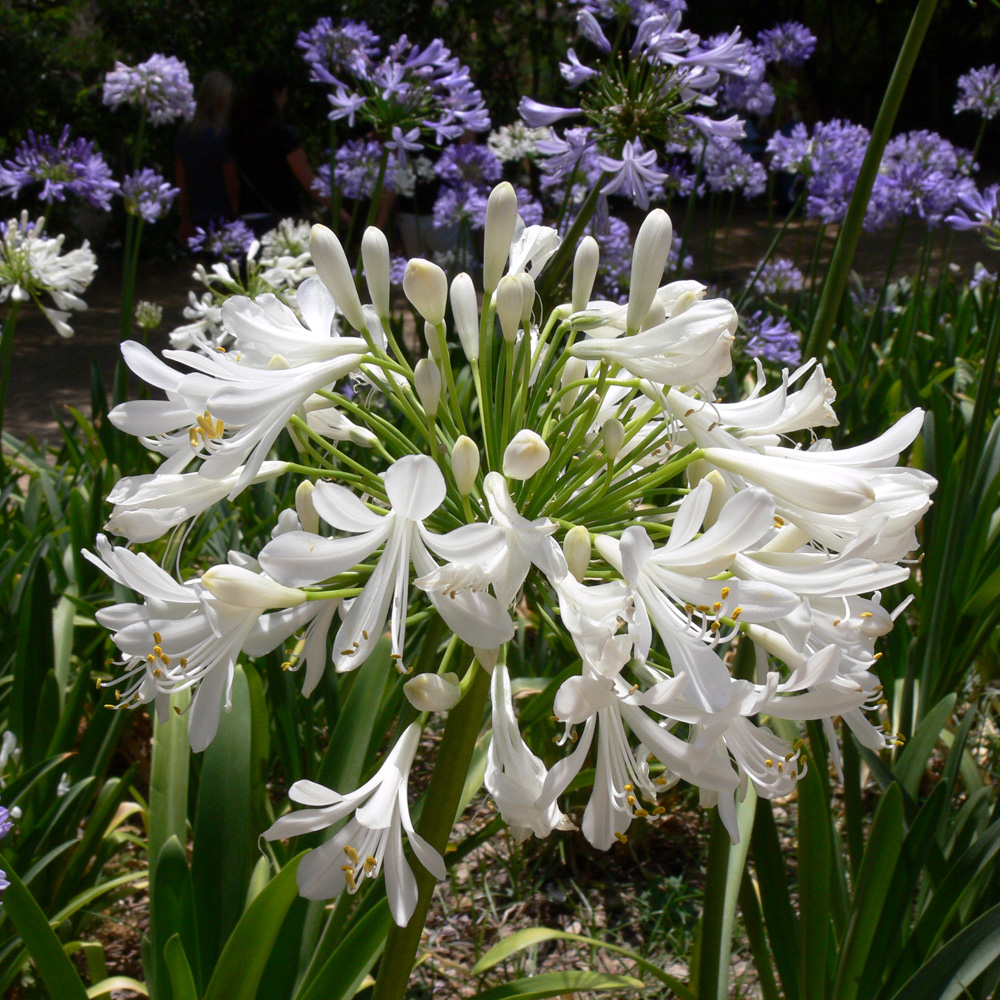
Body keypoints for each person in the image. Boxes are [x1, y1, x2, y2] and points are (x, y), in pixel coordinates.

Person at [228, 67, 328, 234]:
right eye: (285, 94)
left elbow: (231, 183)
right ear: (277, 93)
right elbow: (309, 180)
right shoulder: (282, 133)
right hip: (282, 222)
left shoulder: (236, 133)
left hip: (247, 221)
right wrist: (341, 210)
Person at [175, 71, 239, 243]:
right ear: (221, 100)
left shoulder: (185, 134)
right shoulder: (223, 135)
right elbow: (231, 182)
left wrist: (185, 220)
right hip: (224, 217)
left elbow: (181, 184)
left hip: (197, 217)